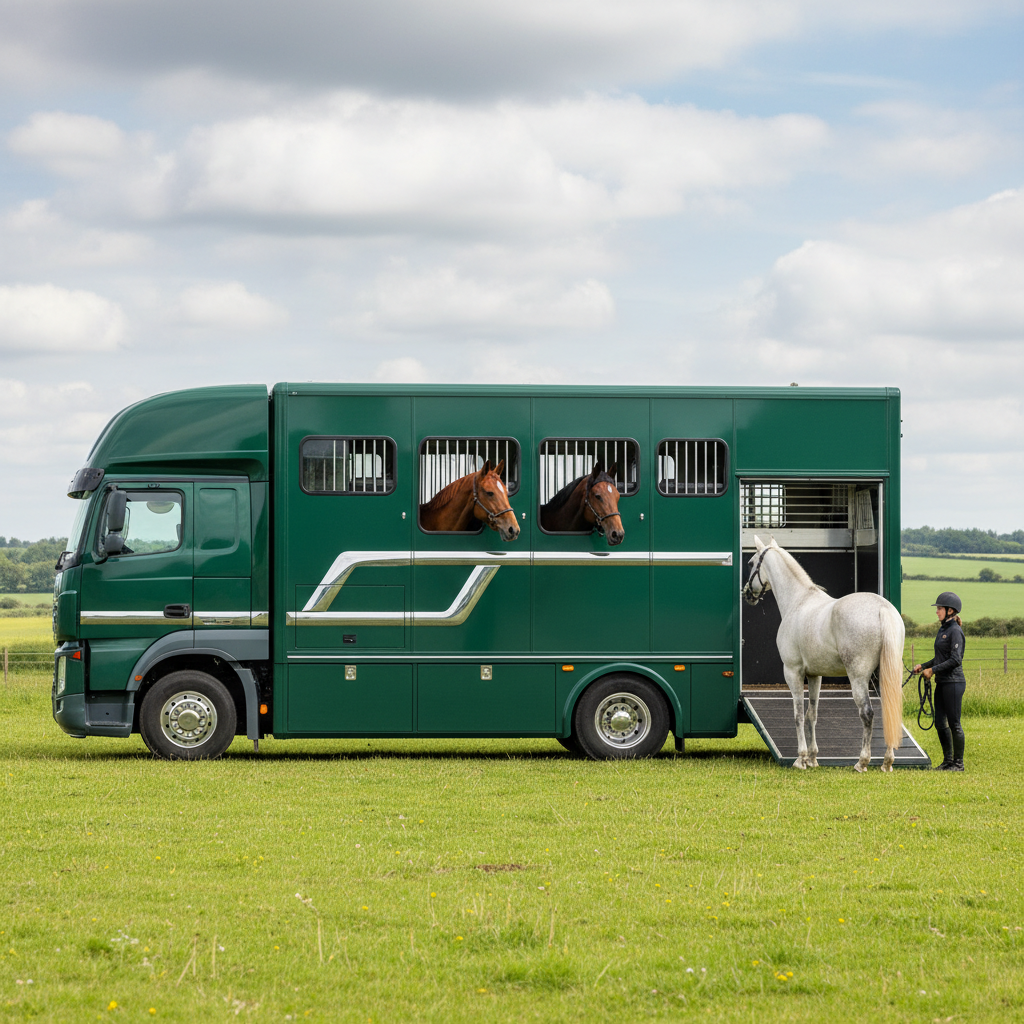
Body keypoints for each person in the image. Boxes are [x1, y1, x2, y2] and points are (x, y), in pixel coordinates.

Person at [913, 591, 966, 771]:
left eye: (940, 609)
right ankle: (947, 761)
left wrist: (932, 670)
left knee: (954, 723)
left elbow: (955, 660)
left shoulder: (955, 631)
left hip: (954, 683)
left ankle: (958, 764)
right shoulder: (943, 629)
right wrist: (924, 665)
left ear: (950, 611)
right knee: (939, 722)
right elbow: (940, 658)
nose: (937, 612)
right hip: (942, 682)